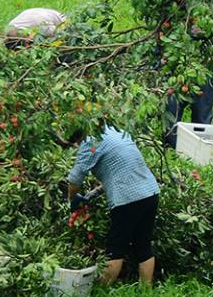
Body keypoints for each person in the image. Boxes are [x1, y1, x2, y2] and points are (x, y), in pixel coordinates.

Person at [65, 123, 160, 288]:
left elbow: (74, 180)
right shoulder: (115, 130)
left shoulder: (89, 142)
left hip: (127, 198)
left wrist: (73, 200)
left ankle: (102, 292)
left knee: (115, 249)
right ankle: (146, 290)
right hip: (150, 192)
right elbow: (122, 168)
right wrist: (94, 193)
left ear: (77, 139)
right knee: (143, 245)